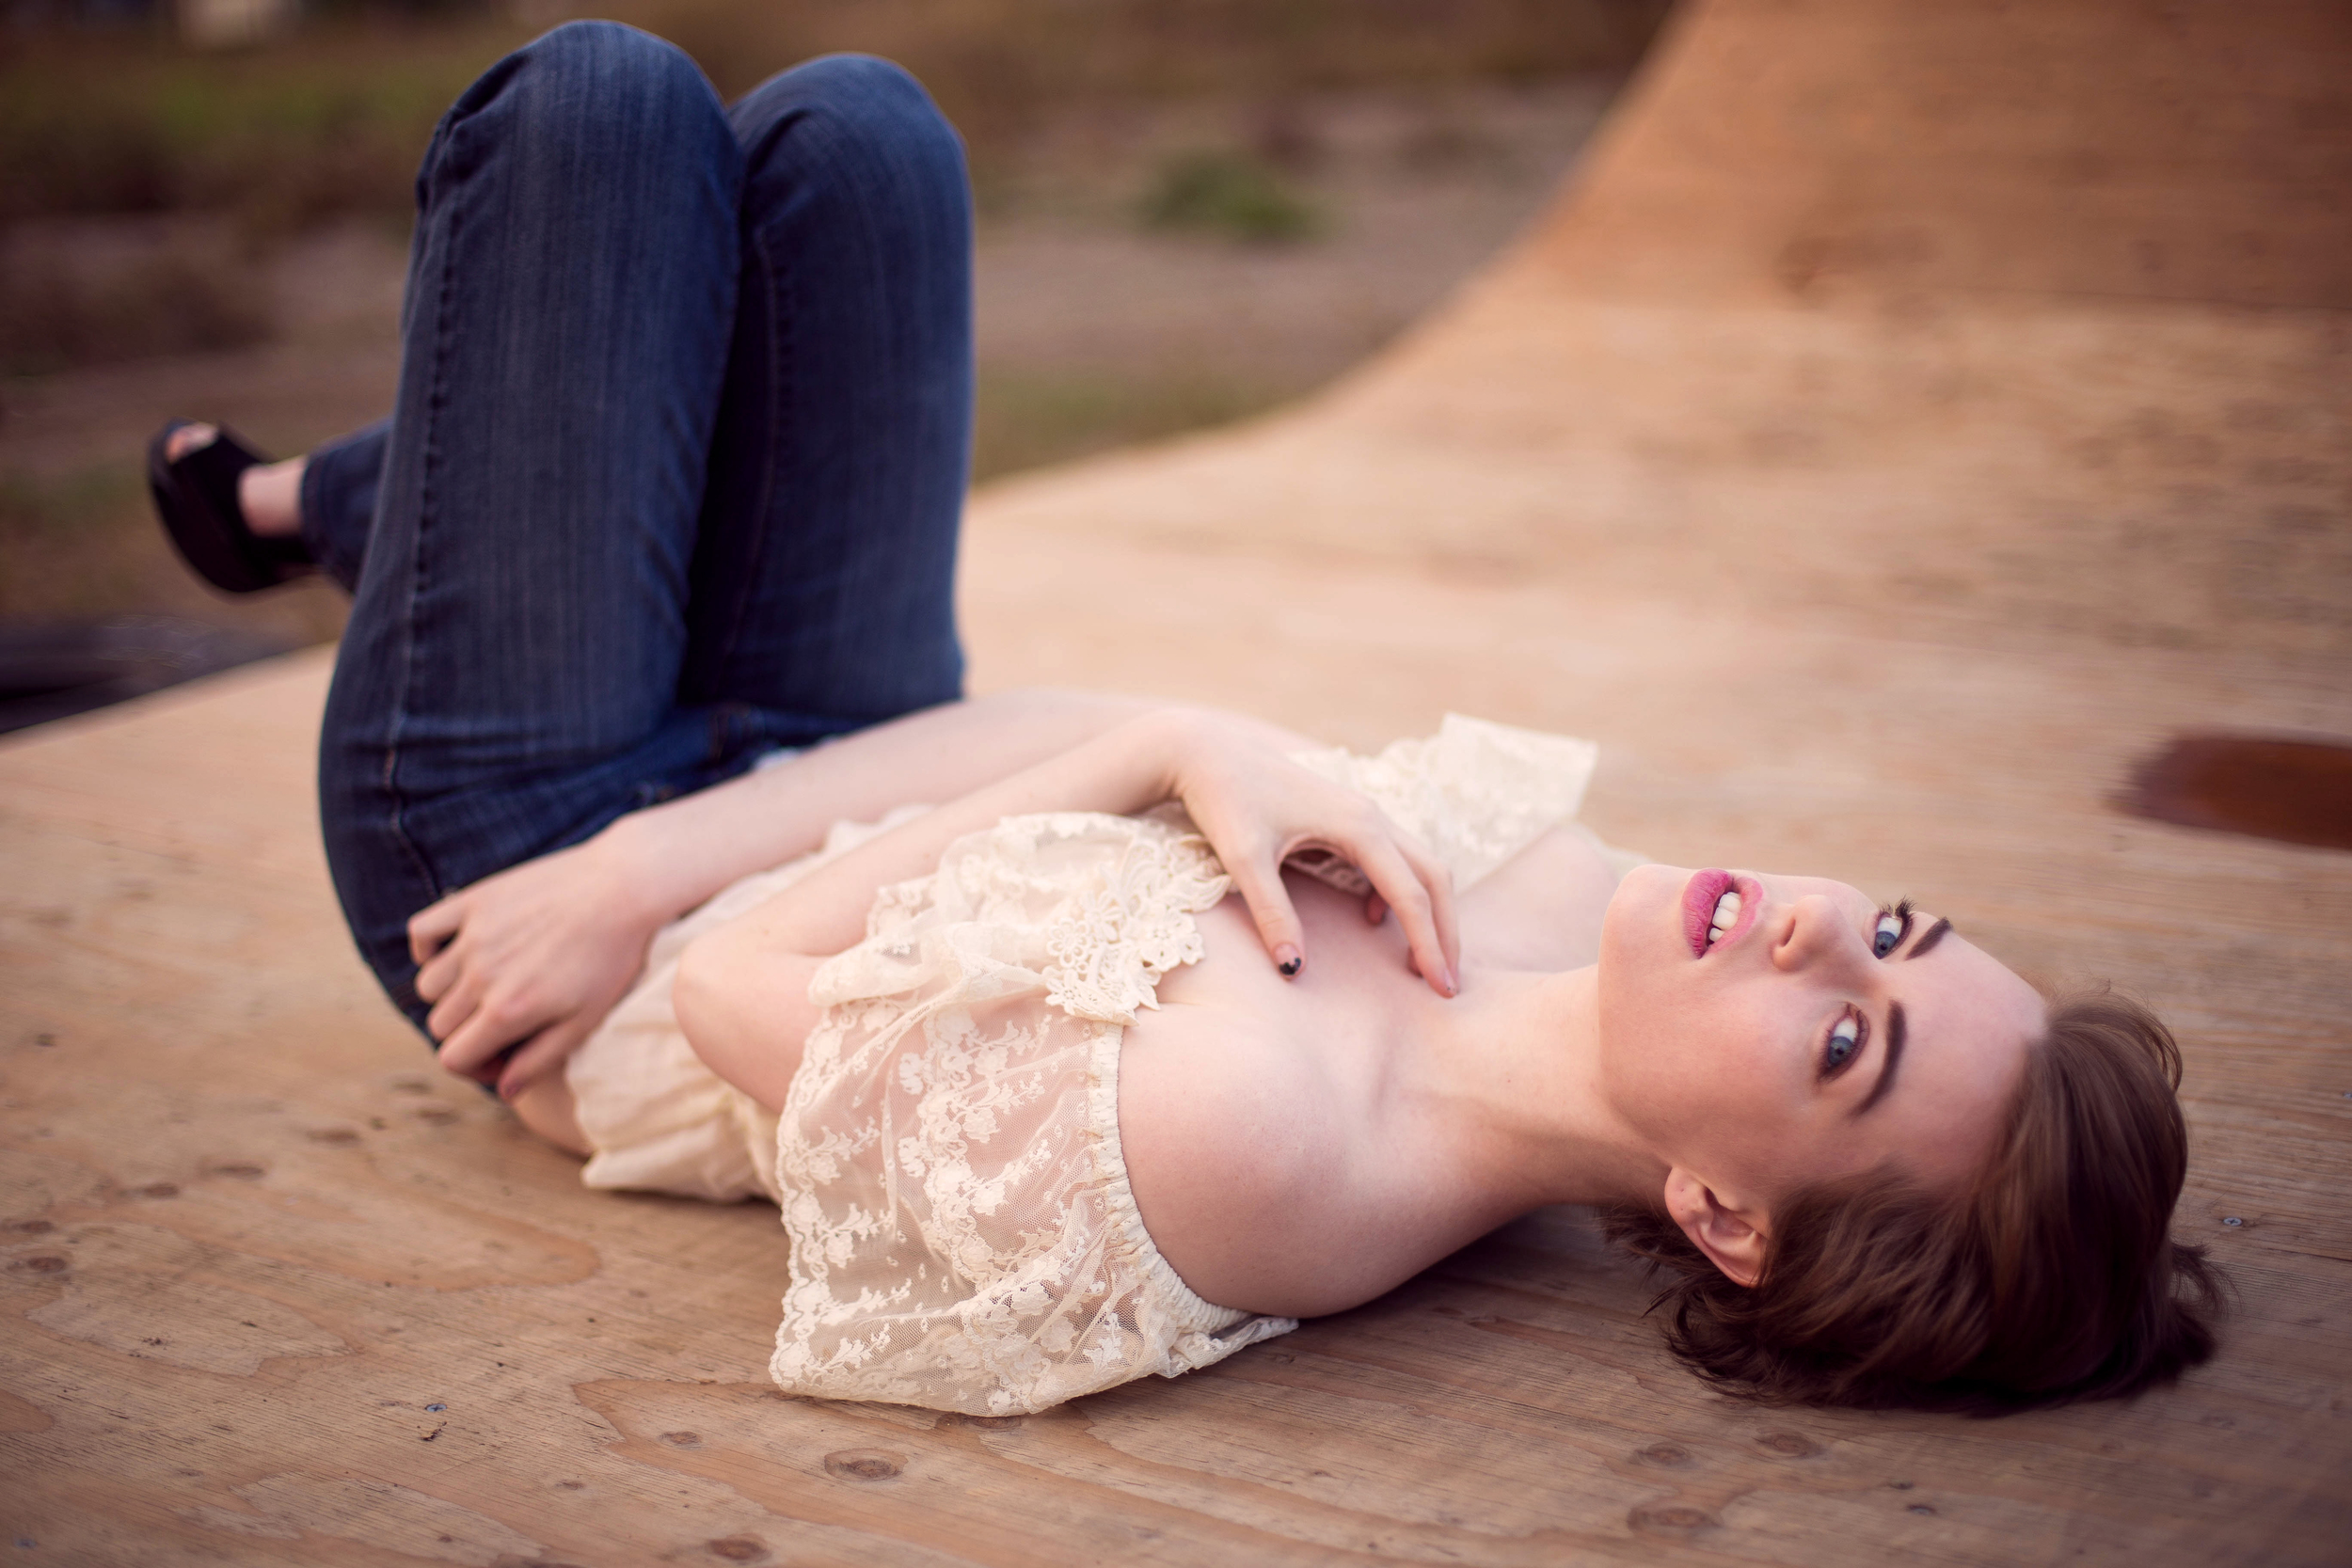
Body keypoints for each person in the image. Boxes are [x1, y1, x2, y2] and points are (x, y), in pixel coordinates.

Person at [147, 22, 2222, 1418]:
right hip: (828, 750)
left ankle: (366, 507)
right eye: (1897, 932)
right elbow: (1096, 723)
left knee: (599, 110)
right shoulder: (1545, 880)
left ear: (1727, 1218)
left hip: (552, 900)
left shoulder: (1257, 1156)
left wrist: (1139, 756)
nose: (1817, 929)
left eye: (1844, 1043)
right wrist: (1158, 737)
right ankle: (373, 504)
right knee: (863, 134)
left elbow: (735, 988)